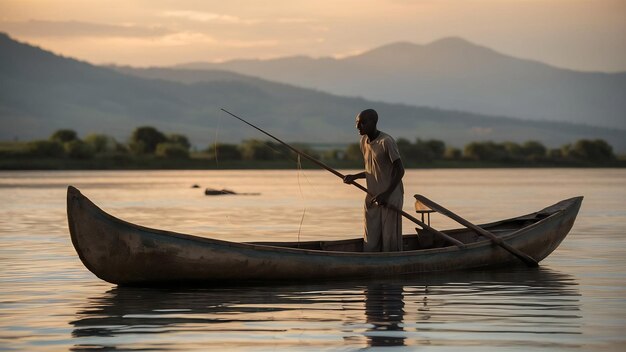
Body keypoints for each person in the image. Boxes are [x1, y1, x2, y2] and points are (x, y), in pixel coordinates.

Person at [343, 109, 405, 252]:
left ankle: (391, 265)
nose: (358, 127)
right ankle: (371, 261)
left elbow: (400, 171)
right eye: (357, 123)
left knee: (390, 240)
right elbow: (373, 171)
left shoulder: (386, 142)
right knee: (371, 239)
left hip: (390, 197)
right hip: (372, 196)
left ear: (373, 123)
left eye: (362, 123)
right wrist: (355, 177)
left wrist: (386, 194)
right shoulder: (363, 142)